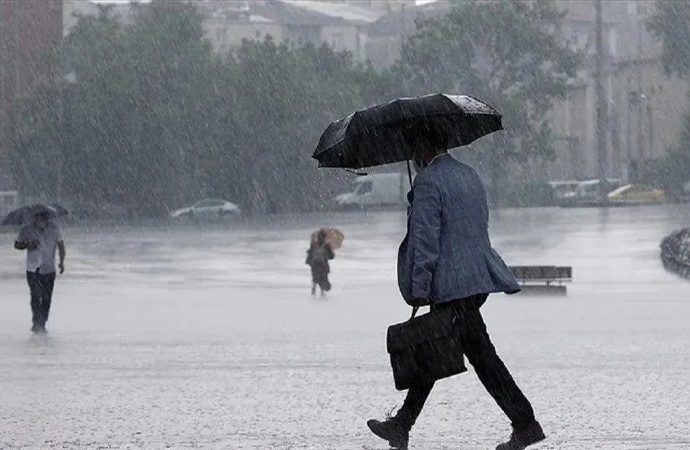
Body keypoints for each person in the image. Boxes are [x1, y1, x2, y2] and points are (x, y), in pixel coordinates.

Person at [366, 126, 544, 450]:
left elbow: (426, 240)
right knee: (437, 350)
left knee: (478, 359)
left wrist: (419, 286)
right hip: (474, 280)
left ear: (424, 144)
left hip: (451, 286)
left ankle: (526, 423)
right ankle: (402, 424)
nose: (412, 154)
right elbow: (477, 225)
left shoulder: (428, 182)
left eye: (413, 144)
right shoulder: (470, 175)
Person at [14, 211, 66, 333]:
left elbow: (61, 245)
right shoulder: (26, 229)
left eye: (42, 218)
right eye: (37, 218)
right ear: (34, 218)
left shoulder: (54, 229)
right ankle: (36, 322)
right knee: (35, 295)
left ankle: (42, 321)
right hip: (32, 268)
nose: (39, 221)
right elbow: (16, 244)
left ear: (46, 219)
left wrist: (62, 262)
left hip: (48, 268)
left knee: (47, 297)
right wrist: (27, 245)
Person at [305, 229, 335, 296]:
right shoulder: (327, 245)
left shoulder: (313, 244)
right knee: (323, 278)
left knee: (315, 277)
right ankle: (322, 292)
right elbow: (331, 256)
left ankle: (314, 288)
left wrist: (309, 262)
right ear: (325, 237)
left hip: (314, 264)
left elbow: (310, 253)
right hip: (323, 265)